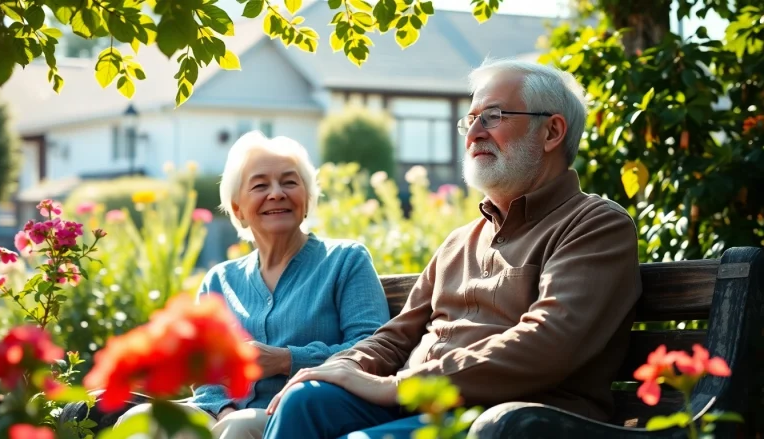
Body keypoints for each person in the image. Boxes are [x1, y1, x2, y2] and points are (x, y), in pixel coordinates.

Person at [261, 58, 643, 438]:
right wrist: (342, 366)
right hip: (419, 407)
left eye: (492, 117)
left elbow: (549, 342)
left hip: (513, 421)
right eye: (470, 119)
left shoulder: (595, 225)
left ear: (551, 131)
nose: (473, 133)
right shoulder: (460, 241)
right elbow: (396, 337)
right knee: (305, 400)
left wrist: (400, 386)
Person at [113, 131, 391, 438]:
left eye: (289, 182)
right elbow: (205, 371)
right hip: (221, 414)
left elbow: (372, 348)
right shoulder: (220, 280)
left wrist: (286, 360)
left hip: (304, 415)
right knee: (138, 420)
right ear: (237, 209)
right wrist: (222, 409)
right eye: (260, 185)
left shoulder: (345, 260)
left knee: (240, 426)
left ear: (307, 200)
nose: (277, 193)